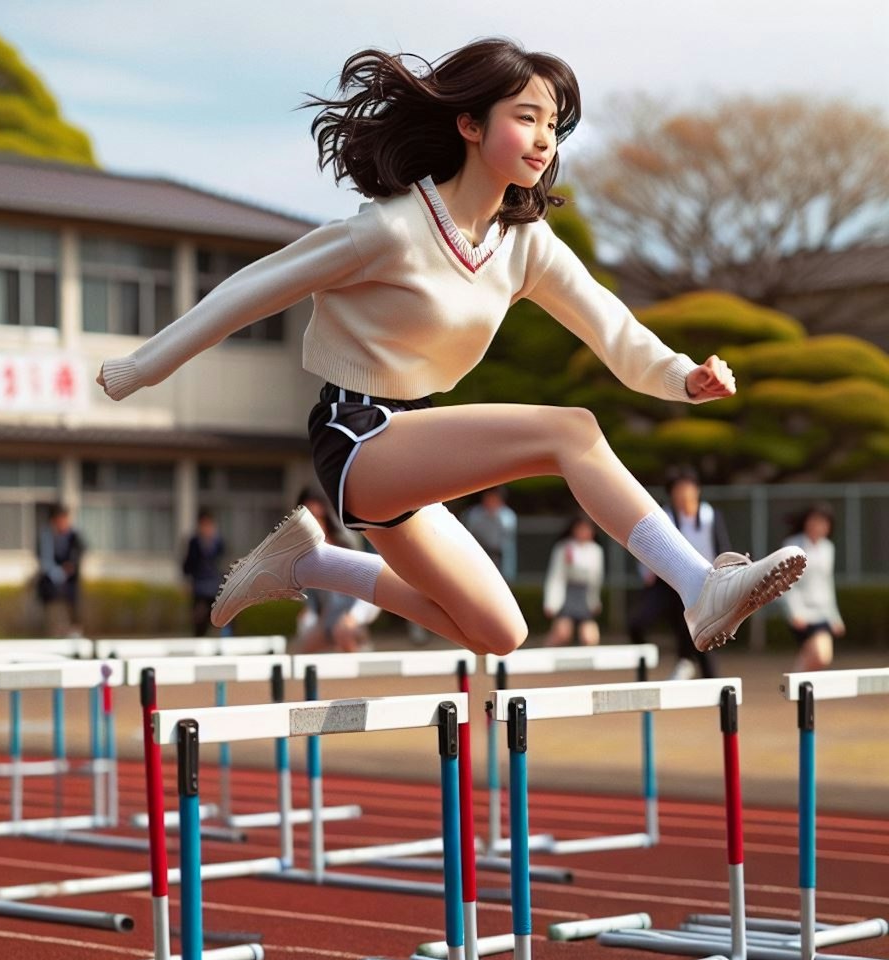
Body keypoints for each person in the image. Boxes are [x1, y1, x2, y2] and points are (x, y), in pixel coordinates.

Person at [96, 38, 806, 656]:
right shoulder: (390, 230)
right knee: (572, 431)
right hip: (357, 434)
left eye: (552, 125)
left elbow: (614, 330)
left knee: (499, 632)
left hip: (412, 442)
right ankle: (698, 585)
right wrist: (139, 368)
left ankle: (311, 564)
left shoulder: (526, 246)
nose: (542, 139)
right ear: (469, 123)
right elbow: (251, 290)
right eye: (525, 117)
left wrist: (685, 378)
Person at [628, 465, 732, 678]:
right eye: (678, 489)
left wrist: (725, 579)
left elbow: (723, 550)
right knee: (637, 622)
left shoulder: (710, 516)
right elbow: (647, 547)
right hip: (667, 582)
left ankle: (709, 683)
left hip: (703, 582)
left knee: (701, 636)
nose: (684, 494)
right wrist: (647, 573)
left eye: (688, 488)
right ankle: (647, 666)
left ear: (697, 490)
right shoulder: (663, 516)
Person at [294, 487, 379, 653]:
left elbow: (373, 585)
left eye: (318, 517)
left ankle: (359, 671)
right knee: (306, 643)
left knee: (343, 633)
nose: (313, 524)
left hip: (350, 624)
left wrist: (353, 618)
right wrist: (309, 616)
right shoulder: (302, 555)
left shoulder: (347, 545)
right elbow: (312, 602)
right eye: (307, 518)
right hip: (325, 623)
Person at [782, 502, 844, 672]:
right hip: (802, 612)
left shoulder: (828, 548)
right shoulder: (792, 546)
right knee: (817, 655)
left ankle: (798, 684)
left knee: (821, 656)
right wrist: (794, 612)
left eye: (824, 523)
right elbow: (787, 583)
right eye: (815, 521)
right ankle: (800, 688)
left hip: (822, 613)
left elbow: (827, 583)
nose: (818, 526)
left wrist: (835, 617)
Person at [543, 513, 604, 646]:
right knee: (562, 634)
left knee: (590, 638)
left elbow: (596, 580)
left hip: (584, 596)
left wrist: (595, 600)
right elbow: (556, 576)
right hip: (567, 594)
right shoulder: (564, 548)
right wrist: (551, 603)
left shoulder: (596, 551)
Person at [35, 504, 84, 637]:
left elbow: (77, 558)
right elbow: (44, 563)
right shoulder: (46, 537)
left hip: (70, 590)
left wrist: (70, 567)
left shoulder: (74, 537)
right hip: (52, 591)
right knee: (55, 623)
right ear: (54, 520)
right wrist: (59, 572)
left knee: (72, 623)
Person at [181, 508, 225, 636]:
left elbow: (222, 561)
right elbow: (187, 564)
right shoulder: (194, 542)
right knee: (199, 620)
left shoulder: (218, 542)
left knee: (218, 618)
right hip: (199, 587)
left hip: (215, 587)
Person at [463, 487, 518, 582]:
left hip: (498, 554)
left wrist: (494, 515)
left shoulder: (507, 515)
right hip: (479, 552)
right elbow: (469, 533)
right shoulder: (475, 514)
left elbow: (507, 532)